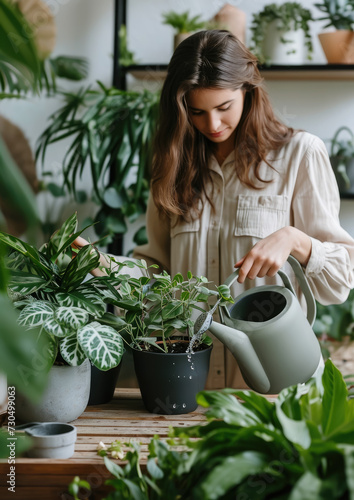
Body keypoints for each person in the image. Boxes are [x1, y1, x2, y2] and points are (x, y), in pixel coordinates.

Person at [76, 30, 354, 389]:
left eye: (224, 108)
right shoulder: (172, 165)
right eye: (197, 112)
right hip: (189, 385)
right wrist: (105, 266)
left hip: (279, 391)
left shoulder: (300, 154)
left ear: (248, 90)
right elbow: (155, 274)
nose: (213, 125)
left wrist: (294, 240)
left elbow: (341, 281)